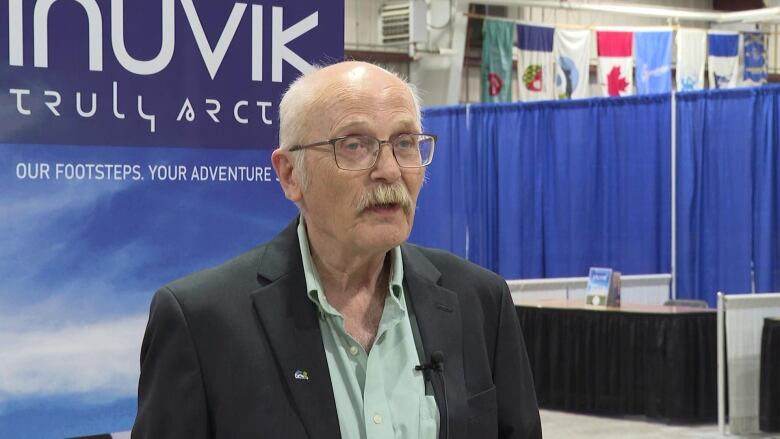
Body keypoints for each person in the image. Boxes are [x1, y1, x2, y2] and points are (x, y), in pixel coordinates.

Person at [132, 61, 542, 439]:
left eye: (404, 143)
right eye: (355, 145)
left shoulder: (479, 300)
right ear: (290, 174)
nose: (390, 170)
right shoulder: (202, 323)